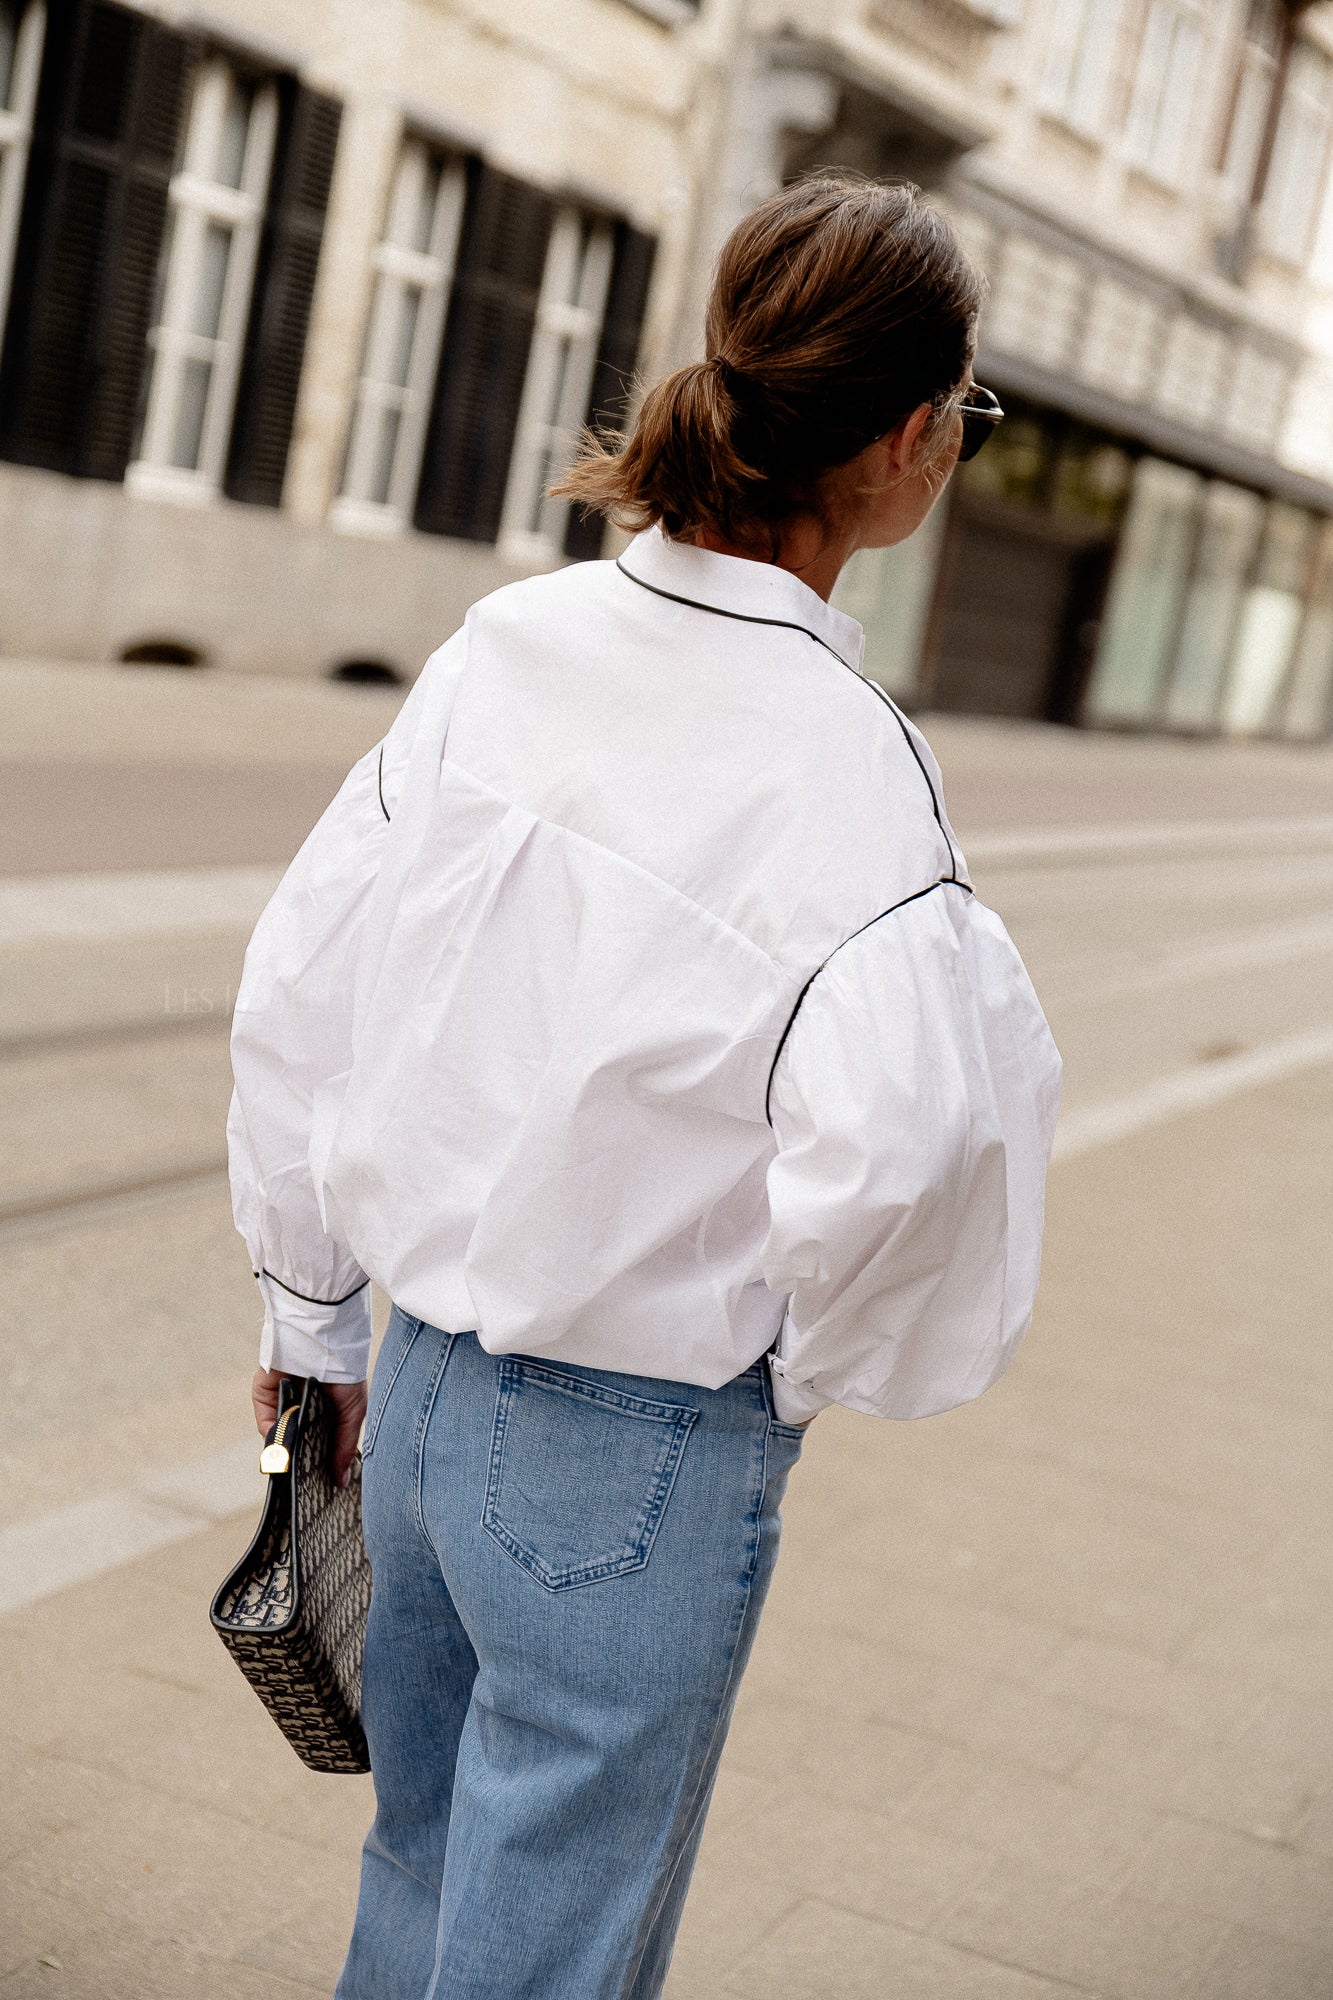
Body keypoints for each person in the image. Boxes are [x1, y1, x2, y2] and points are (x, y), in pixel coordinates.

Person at [230, 172, 1061, 2000]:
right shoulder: (853, 781)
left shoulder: (506, 648)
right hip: (637, 1447)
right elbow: (910, 1155)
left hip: (422, 1407)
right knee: (552, 1941)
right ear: (912, 442)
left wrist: (316, 1316)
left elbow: (304, 978)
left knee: (424, 1861)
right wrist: (801, 1370)